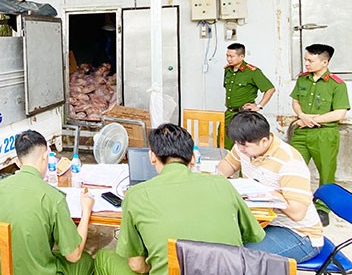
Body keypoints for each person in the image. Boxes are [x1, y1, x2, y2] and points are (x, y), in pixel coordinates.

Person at [94, 123, 264, 275]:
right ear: (193, 158)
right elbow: (252, 235)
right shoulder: (222, 184)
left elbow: (136, 265)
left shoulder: (136, 195)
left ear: (152, 156)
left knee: (104, 257)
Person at [0, 130, 95, 275]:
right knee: (85, 260)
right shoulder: (53, 197)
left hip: (2, 270)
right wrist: (86, 210)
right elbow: (73, 255)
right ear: (45, 156)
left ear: (18, 162)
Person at [218, 111, 323, 262]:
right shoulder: (244, 146)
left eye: (244, 146)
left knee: (237, 257)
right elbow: (226, 166)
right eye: (237, 144)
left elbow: (298, 213)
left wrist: (270, 193)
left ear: (264, 141)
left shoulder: (289, 162)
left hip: (299, 235)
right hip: (264, 221)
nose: (240, 149)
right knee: (220, 241)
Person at [290, 44, 349, 226]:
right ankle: (294, 202)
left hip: (324, 134)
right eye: (305, 60)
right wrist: (301, 116)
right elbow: (295, 102)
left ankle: (323, 208)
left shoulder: (336, 84)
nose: (306, 63)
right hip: (301, 131)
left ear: (324, 62)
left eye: (310, 60)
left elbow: (339, 113)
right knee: (293, 167)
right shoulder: (303, 80)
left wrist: (313, 119)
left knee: (326, 170)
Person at [223, 43, 275, 149]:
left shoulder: (252, 72)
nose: (229, 59)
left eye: (232, 56)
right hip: (229, 113)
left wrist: (259, 106)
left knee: (244, 144)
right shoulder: (228, 70)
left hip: (244, 114)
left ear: (241, 56)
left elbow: (270, 89)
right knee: (226, 143)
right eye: (227, 55)